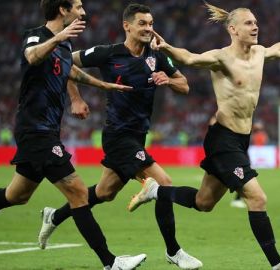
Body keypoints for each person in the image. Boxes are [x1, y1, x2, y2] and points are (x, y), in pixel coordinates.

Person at [0, 1, 146, 269]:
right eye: (78, 7)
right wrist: (59, 37)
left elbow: (70, 70)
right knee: (79, 193)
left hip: (45, 129)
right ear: (62, 9)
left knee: (16, 195)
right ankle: (110, 262)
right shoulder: (37, 35)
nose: (83, 12)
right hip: (35, 129)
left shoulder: (65, 45)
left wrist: (102, 84)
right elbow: (32, 56)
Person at [128, 3, 280, 270]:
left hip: (242, 139)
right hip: (224, 140)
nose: (255, 27)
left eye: (256, 22)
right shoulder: (221, 57)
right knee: (257, 198)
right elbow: (190, 58)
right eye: (249, 23)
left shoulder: (260, 53)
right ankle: (279, 266)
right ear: (233, 29)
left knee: (203, 203)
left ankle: (155, 190)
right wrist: (167, 47)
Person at [37, 3, 202, 270]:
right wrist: (75, 99)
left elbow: (184, 84)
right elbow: (64, 62)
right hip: (117, 135)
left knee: (104, 193)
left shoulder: (157, 56)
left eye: (151, 24)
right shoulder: (108, 53)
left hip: (138, 136)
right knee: (163, 182)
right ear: (127, 26)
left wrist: (168, 80)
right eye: (142, 24)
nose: (149, 28)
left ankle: (55, 215)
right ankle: (174, 251)